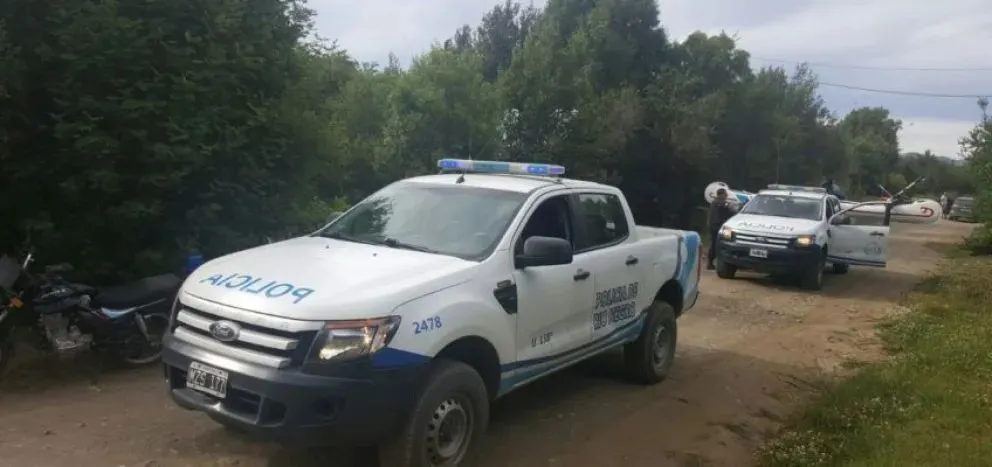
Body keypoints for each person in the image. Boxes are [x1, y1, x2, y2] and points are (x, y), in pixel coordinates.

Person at [707, 188, 737, 270]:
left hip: (723, 227)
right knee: (716, 244)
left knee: (726, 243)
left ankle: (724, 262)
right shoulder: (718, 203)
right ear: (720, 195)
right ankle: (711, 262)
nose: (726, 196)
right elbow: (731, 210)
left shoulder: (719, 203)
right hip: (717, 227)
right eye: (725, 194)